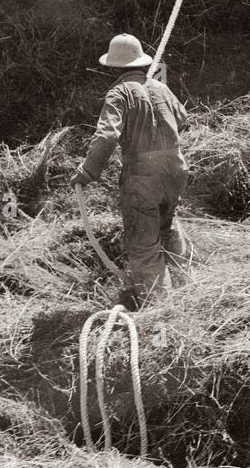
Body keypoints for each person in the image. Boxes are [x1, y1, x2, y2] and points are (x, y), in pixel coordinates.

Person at [72, 34, 191, 307]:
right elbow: (182, 118)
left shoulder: (118, 93)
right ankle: (186, 287)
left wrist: (88, 172)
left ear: (113, 68)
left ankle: (161, 310)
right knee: (168, 225)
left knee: (144, 246)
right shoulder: (161, 87)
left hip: (143, 177)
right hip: (176, 170)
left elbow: (107, 136)